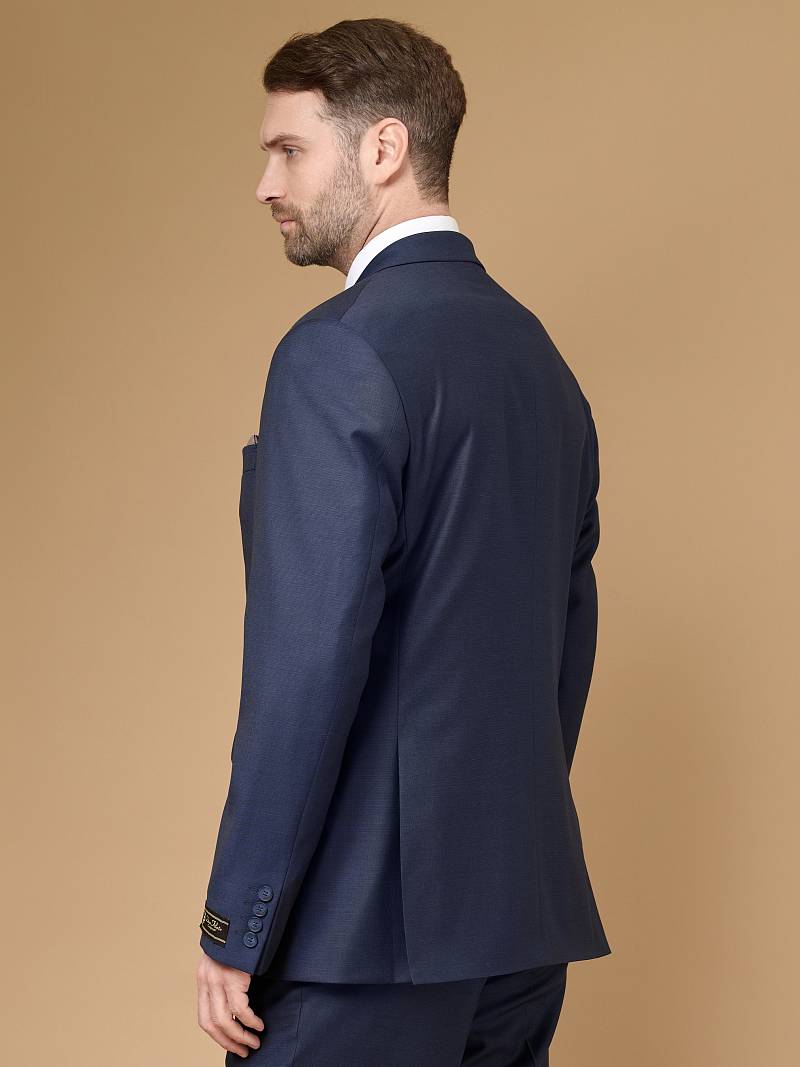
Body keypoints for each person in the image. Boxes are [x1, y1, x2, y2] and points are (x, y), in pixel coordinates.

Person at [196, 17, 611, 1066]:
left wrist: (236, 922)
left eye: (288, 149)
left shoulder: (336, 352)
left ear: (382, 148)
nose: (265, 184)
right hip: (515, 922)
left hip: (359, 937)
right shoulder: (539, 362)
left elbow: (305, 661)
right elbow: (565, 633)